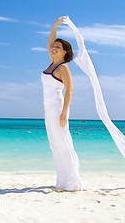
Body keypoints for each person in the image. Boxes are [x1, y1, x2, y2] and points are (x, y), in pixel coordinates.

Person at [41, 16, 82, 191]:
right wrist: (55, 25)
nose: (54, 48)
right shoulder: (52, 63)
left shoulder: (63, 67)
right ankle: (62, 181)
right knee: (55, 144)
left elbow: (70, 90)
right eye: (53, 47)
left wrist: (64, 113)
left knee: (64, 143)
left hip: (58, 108)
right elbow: (49, 41)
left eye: (58, 47)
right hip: (48, 108)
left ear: (65, 51)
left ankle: (72, 182)